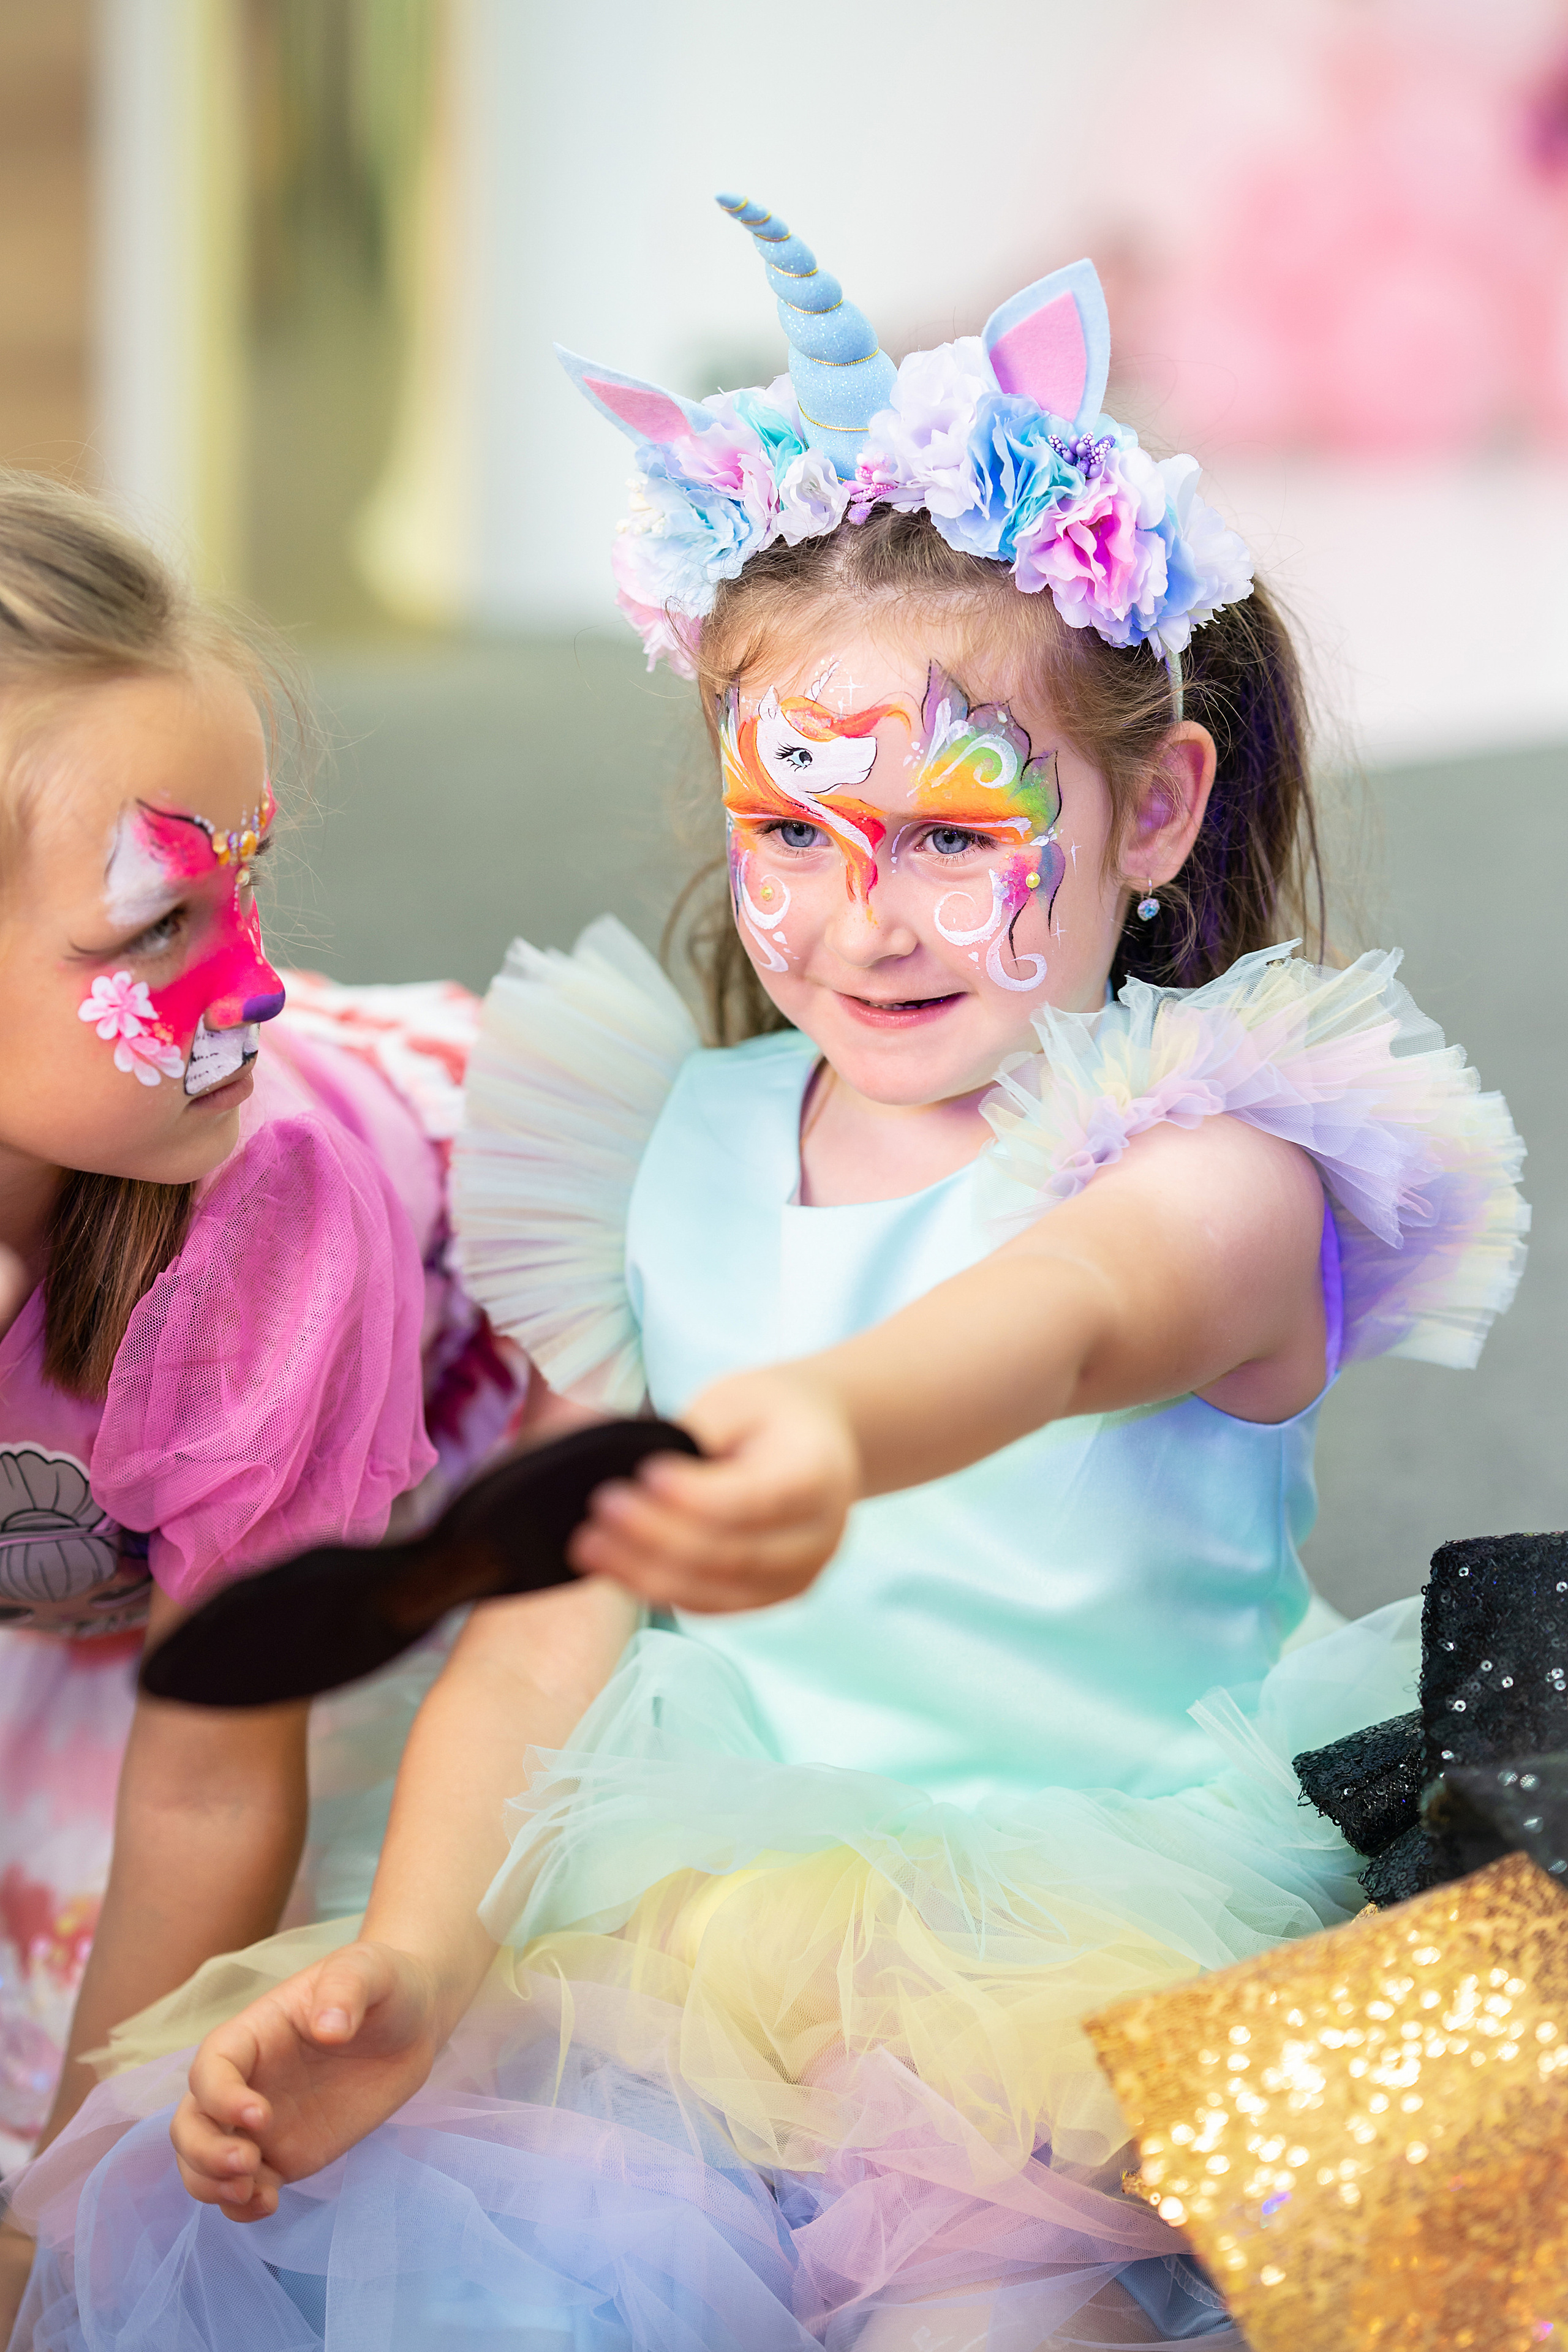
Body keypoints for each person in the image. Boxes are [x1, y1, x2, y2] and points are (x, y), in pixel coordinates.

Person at [6, 207, 1527, 2350]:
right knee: (510, 2291)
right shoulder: (671, 1145)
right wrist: (420, 1960)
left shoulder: (1223, 1156)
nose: (865, 919)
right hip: (695, 1943)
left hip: (1104, 1949)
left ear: (1159, 808)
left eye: (955, 834)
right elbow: (542, 1622)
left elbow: (1068, 1319)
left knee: (998, 2324)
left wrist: (823, 1421)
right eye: (794, 831)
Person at [0, 476, 520, 2302]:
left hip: (393, 1407)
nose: (254, 983)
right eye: (157, 924)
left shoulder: (271, 1236)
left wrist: (50, 2238)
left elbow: (215, 1789)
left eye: (246, 886)